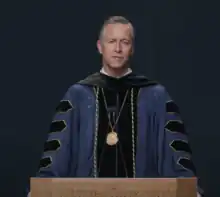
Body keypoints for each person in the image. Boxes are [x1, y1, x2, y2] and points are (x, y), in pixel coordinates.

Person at [28, 16, 203, 197]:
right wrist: (42, 187)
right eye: (112, 41)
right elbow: (58, 153)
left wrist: (189, 188)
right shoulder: (78, 96)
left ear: (132, 48)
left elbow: (175, 154)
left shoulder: (155, 96)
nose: (118, 49)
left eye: (124, 42)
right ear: (100, 47)